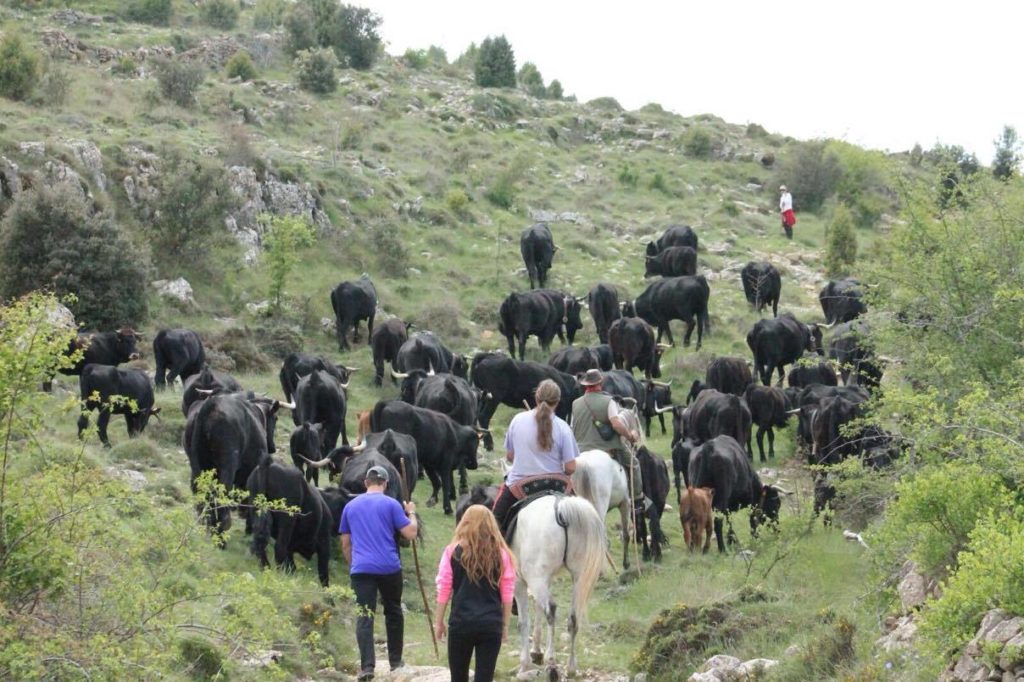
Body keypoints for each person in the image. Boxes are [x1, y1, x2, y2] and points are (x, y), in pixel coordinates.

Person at [339, 465, 419, 681]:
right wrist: (411, 512)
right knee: (393, 611)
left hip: (361, 569)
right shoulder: (392, 504)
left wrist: (354, 565)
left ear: (366, 483)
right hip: (389, 567)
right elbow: (411, 533)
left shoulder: (350, 506)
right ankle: (396, 662)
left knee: (364, 615)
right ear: (385, 483)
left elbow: (345, 543)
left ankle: (367, 667)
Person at [433, 505, 517, 682]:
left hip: (461, 623)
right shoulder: (502, 555)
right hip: (491, 624)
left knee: (458, 677)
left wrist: (439, 622)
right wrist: (504, 625)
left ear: (465, 523)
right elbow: (507, 593)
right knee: (485, 677)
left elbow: (444, 588)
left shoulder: (452, 551)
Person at [491, 379, 579, 529]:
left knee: (494, 522)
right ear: (557, 402)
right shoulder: (563, 427)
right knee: (582, 523)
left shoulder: (517, 420)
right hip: (557, 486)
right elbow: (571, 467)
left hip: (519, 486)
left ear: (536, 397)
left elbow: (510, 457)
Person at [570, 369, 647, 514]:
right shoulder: (609, 401)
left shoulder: (575, 403)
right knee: (634, 464)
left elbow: (573, 428)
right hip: (607, 447)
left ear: (586, 385)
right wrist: (630, 436)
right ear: (600, 383)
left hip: (580, 450)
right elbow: (616, 424)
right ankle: (638, 500)